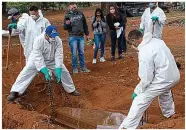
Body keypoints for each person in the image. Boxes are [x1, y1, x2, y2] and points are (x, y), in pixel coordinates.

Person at [119, 30, 180, 129]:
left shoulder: (144, 51)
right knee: (164, 91)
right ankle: (170, 113)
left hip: (164, 79)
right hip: (174, 75)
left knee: (140, 100)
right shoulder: (157, 41)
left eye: (131, 44)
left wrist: (138, 91)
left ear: (134, 41)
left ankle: (126, 127)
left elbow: (146, 78)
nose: (132, 46)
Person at [7, 26, 81, 102]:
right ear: (46, 34)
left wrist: (58, 70)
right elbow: (38, 57)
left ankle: (71, 89)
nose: (53, 38)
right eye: (51, 36)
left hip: (51, 59)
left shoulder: (58, 40)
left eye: (54, 36)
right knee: (27, 71)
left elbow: (59, 55)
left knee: (64, 72)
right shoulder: (38, 40)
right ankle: (15, 91)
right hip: (35, 59)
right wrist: (45, 71)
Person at [64, 2, 90, 74]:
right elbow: (65, 28)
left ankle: (83, 67)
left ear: (76, 6)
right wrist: (67, 23)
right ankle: (75, 68)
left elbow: (85, 24)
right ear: (69, 8)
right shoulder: (67, 15)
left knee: (81, 53)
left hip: (81, 36)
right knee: (74, 54)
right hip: (73, 36)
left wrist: (87, 34)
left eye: (75, 7)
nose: (74, 8)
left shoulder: (81, 13)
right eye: (72, 7)